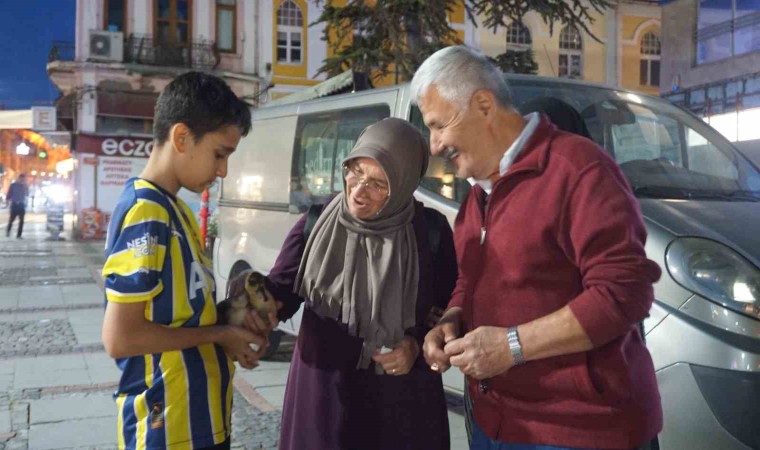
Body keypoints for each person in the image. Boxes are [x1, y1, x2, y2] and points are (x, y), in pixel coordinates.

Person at [414, 46, 663, 450]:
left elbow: (624, 292)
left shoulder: (579, 168)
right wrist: (454, 318)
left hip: (579, 430)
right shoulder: (477, 196)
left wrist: (512, 346)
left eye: (438, 125)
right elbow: (469, 278)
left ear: (482, 105)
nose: (435, 144)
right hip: (495, 423)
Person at [251, 118, 456, 450]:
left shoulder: (430, 233)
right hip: (324, 400)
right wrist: (252, 302)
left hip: (401, 405)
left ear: (403, 184)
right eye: (355, 172)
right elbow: (281, 294)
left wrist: (416, 347)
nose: (358, 191)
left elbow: (447, 313)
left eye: (378, 184)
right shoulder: (316, 223)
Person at [101, 72, 269, 450]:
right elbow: (120, 338)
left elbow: (180, 311)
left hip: (201, 421)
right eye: (219, 154)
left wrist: (231, 320)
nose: (223, 170)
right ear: (181, 138)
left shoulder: (177, 210)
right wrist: (218, 334)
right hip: (167, 429)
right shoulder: (146, 212)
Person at [6, 173, 28, 239]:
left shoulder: (25, 186)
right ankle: (8, 231)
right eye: (21, 179)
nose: (22, 180)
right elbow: (9, 194)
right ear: (18, 178)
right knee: (11, 220)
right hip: (14, 204)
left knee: (21, 221)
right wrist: (8, 201)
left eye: (23, 179)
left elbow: (27, 194)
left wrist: (25, 186)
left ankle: (19, 235)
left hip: (21, 205)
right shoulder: (13, 185)